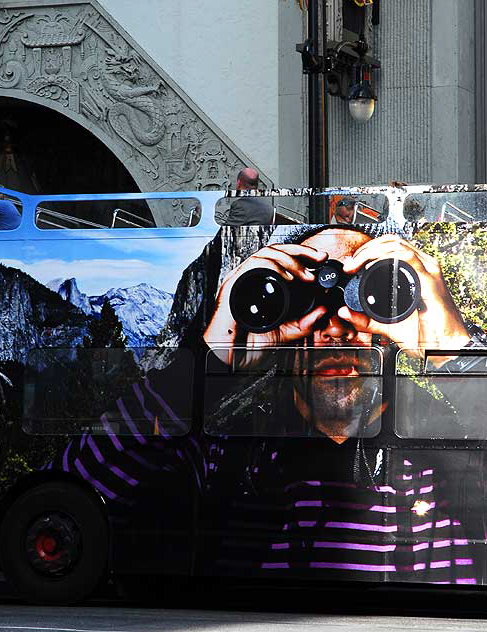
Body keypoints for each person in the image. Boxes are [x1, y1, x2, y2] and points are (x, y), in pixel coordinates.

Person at [202, 222, 481, 583]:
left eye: (365, 294)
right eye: (308, 300)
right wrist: (217, 354)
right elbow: (110, 481)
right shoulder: (229, 456)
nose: (336, 329)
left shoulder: (445, 464)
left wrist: (450, 349)